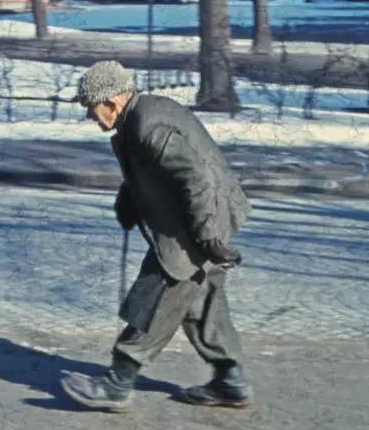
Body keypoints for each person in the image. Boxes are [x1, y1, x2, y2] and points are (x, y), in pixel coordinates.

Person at [60, 60, 254, 412]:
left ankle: (118, 383)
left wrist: (208, 237)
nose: (89, 116)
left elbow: (196, 178)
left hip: (197, 223)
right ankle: (231, 379)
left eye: (91, 107)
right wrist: (129, 199)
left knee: (157, 293)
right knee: (201, 301)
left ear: (110, 102)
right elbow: (155, 170)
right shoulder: (140, 116)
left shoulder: (147, 124)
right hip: (200, 217)